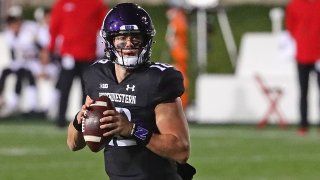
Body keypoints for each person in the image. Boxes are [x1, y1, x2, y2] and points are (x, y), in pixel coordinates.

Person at [67, 3, 195, 179]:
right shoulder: (98, 76)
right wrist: (78, 121)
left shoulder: (157, 80)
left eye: (136, 37)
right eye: (121, 38)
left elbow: (181, 150)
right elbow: (73, 144)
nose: (129, 44)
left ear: (146, 40)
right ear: (110, 41)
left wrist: (133, 129)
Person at [48, 0, 108, 127]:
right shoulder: (62, 3)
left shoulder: (96, 4)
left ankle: (85, 120)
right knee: (64, 89)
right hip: (68, 55)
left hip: (88, 55)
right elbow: (54, 27)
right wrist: (52, 48)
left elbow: (103, 27)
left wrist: (103, 49)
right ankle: (60, 119)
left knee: (87, 91)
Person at [285, 0, 320, 135]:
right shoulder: (294, 5)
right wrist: (301, 38)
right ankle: (303, 124)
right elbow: (291, 27)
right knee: (303, 91)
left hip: (318, 55)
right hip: (303, 54)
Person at [165, 6, 189, 109]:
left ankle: (182, 106)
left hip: (179, 54)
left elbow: (170, 36)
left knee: (180, 80)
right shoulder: (180, 20)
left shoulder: (177, 21)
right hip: (179, 54)